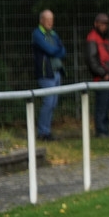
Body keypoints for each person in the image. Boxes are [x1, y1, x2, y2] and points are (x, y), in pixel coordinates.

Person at [32, 9, 67, 140]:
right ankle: (43, 132)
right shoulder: (37, 34)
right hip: (45, 73)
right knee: (48, 102)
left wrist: (56, 51)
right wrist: (57, 51)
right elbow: (50, 50)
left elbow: (63, 50)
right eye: (47, 20)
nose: (50, 22)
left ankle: (47, 130)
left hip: (56, 72)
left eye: (51, 20)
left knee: (53, 103)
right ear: (41, 20)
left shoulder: (53, 33)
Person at [85, 13, 109, 137]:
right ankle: (101, 131)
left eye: (106, 24)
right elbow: (92, 60)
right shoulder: (92, 38)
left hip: (108, 77)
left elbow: (108, 58)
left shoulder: (104, 39)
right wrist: (103, 74)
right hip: (101, 78)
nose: (104, 26)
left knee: (106, 105)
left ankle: (105, 130)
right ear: (96, 24)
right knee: (101, 105)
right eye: (102, 24)